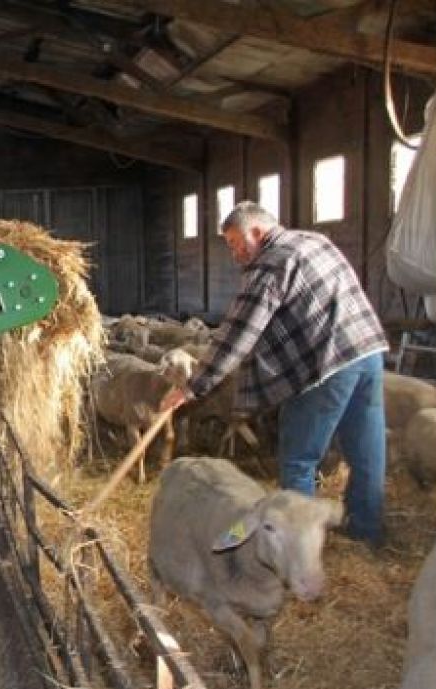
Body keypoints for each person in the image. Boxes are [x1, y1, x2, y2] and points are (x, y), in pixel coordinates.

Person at [160, 201, 389, 548]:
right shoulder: (315, 241)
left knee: (299, 458)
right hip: (367, 351)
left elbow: (238, 333)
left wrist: (193, 387)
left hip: (325, 366)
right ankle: (366, 529)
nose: (235, 253)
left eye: (235, 243)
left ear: (256, 232)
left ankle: (298, 546)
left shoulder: (269, 265)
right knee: (365, 448)